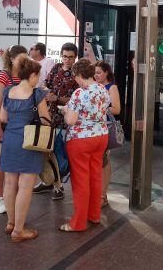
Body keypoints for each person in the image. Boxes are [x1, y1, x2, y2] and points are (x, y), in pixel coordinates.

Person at [0, 58, 50, 242]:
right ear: (32, 75)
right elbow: (46, 119)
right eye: (38, 75)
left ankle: (11, 223)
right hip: (30, 141)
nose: (39, 78)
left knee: (10, 183)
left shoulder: (7, 91)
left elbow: (3, 118)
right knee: (26, 185)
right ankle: (19, 230)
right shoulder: (37, 94)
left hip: (10, 140)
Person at [60, 59, 110, 232]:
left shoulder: (79, 93)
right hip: (101, 136)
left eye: (75, 77)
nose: (75, 80)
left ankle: (78, 222)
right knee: (95, 176)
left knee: (80, 180)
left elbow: (71, 120)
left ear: (80, 75)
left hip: (81, 139)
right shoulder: (103, 89)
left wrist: (66, 111)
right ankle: (94, 215)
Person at [33, 42, 79, 199]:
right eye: (65, 56)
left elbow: (77, 98)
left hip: (66, 120)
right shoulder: (56, 68)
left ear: (75, 57)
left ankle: (58, 187)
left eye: (70, 57)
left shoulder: (77, 74)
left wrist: (57, 98)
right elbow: (47, 82)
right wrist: (46, 89)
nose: (67, 60)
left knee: (59, 154)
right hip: (49, 116)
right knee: (47, 151)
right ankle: (49, 181)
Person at [0, 45, 28, 214]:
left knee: (17, 162)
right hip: (5, 124)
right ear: (12, 59)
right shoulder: (4, 75)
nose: (24, 61)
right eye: (21, 58)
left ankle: (12, 195)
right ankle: (0, 197)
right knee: (1, 161)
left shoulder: (26, 75)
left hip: (21, 125)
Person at [94, 61, 121, 207]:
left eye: (99, 73)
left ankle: (102, 195)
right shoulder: (95, 86)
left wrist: (99, 108)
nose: (96, 75)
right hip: (95, 128)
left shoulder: (112, 87)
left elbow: (117, 109)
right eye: (95, 73)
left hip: (105, 127)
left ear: (107, 73)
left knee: (104, 161)